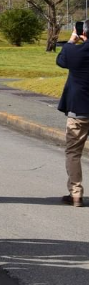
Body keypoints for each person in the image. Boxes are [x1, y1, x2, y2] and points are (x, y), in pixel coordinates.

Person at [56, 20, 89, 208]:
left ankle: (76, 193)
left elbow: (60, 61)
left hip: (79, 110)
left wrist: (71, 41)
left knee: (74, 152)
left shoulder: (72, 51)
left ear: (82, 33)